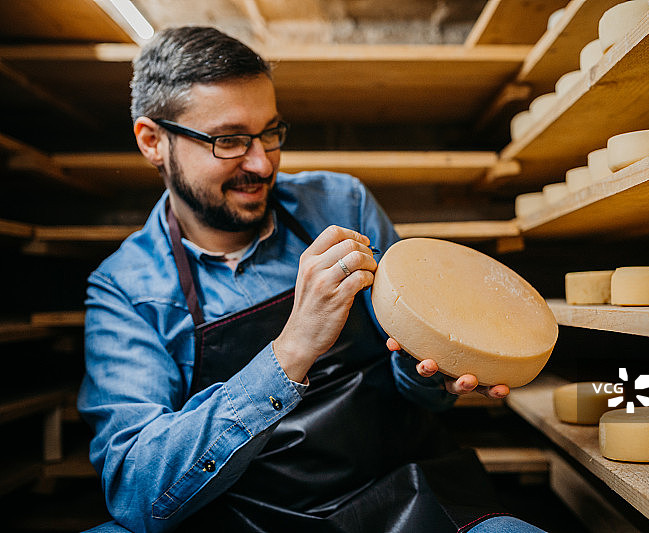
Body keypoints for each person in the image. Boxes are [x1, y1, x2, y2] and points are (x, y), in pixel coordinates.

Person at [78, 26, 546, 533]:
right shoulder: (125, 289)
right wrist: (291, 350)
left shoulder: (341, 204)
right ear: (153, 142)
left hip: (398, 496)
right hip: (244, 516)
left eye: (271, 133)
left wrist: (435, 372)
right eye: (229, 141)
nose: (261, 163)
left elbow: (417, 390)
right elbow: (136, 491)